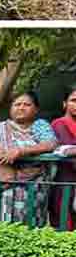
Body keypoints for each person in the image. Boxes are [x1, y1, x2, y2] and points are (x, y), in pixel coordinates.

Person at [0, 91, 58, 224]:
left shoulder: (40, 126)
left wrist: (21, 151)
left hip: (32, 189)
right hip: (1, 188)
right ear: (10, 108)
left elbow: (50, 144)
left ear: (36, 109)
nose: (21, 107)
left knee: (29, 227)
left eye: (27, 104)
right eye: (17, 104)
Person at [50, 85, 76, 231]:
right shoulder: (59, 124)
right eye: (74, 100)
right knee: (65, 226)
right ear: (64, 103)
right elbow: (67, 148)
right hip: (65, 182)